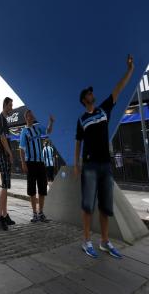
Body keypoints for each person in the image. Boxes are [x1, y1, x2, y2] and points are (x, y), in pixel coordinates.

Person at [75, 54, 134, 259]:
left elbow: (118, 89)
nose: (93, 93)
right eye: (90, 93)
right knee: (87, 206)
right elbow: (78, 142)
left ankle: (105, 242)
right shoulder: (81, 119)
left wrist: (129, 71)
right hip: (90, 166)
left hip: (106, 166)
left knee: (106, 207)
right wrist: (77, 164)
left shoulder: (104, 110)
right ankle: (86, 241)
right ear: (85, 99)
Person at [19, 110, 54, 223]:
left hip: (40, 163)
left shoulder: (37, 128)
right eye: (29, 116)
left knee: (42, 188)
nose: (31, 117)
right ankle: (34, 213)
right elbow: (21, 149)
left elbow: (48, 131)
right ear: (26, 118)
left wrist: (51, 122)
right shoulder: (24, 131)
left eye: (32, 115)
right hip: (30, 163)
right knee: (32, 189)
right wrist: (23, 163)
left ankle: (41, 213)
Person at [0, 97, 15, 231]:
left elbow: (5, 137)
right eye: (11, 105)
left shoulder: (5, 120)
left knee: (6, 186)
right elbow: (2, 138)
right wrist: (10, 153)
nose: (12, 108)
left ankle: (5, 214)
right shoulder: (1, 119)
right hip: (3, 155)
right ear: (6, 105)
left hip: (5, 156)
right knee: (4, 186)